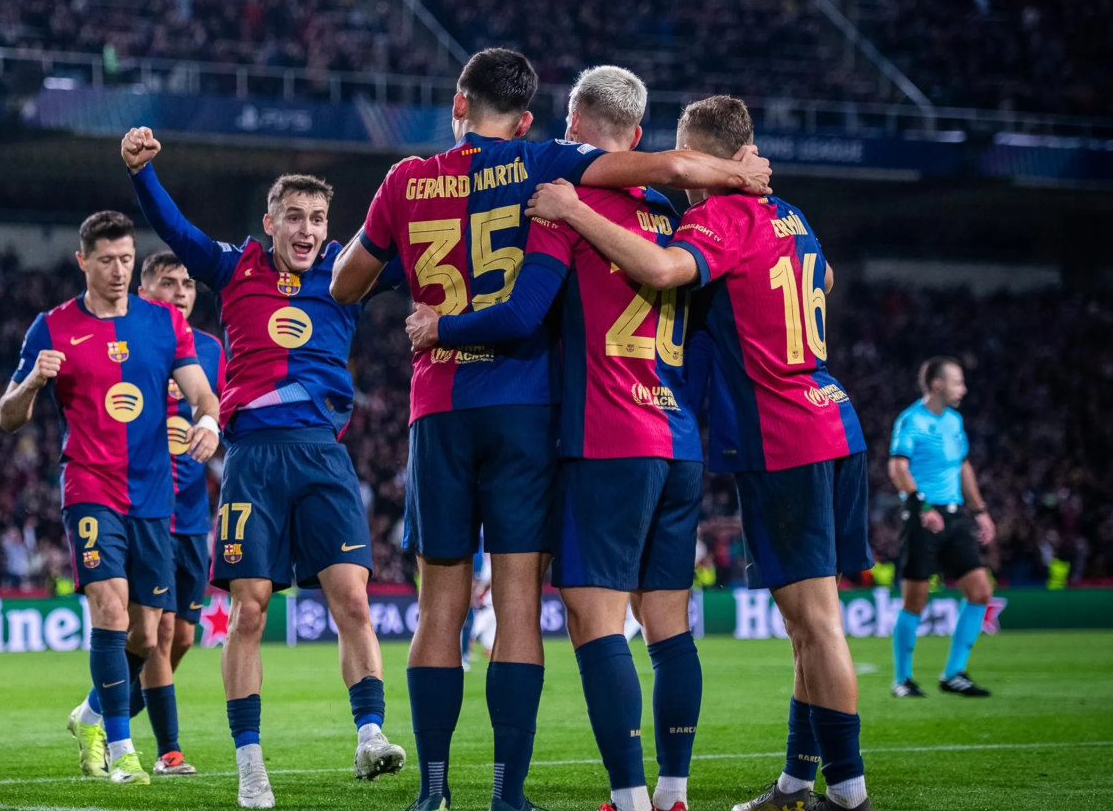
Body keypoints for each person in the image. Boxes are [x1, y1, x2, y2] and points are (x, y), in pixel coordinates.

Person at [340, 53, 767, 811]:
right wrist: (741, 174)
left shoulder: (405, 180)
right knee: (517, 605)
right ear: (530, 120)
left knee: (440, 609)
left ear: (457, 103)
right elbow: (670, 168)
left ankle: (434, 793)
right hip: (535, 409)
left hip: (440, 404)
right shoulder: (548, 169)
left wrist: (417, 281)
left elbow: (347, 281)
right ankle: (510, 796)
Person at [528, 96, 872, 811]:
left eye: (687, 154)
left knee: (816, 623)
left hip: (783, 435)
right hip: (833, 417)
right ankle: (796, 782)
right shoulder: (790, 215)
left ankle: (849, 793)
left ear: (706, 157)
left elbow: (660, 270)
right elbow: (827, 279)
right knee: (806, 626)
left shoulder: (720, 216)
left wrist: (574, 210)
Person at [122, 127, 405, 808]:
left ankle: (370, 734)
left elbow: (421, 253)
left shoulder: (347, 271)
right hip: (253, 458)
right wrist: (142, 174)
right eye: (295, 218)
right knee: (249, 609)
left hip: (323, 454)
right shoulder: (234, 267)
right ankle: (250, 763)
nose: (307, 231)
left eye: (318, 219)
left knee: (353, 600)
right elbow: (177, 231)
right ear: (270, 222)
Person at [0, 212, 221, 787]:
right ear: (83, 261)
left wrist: (208, 420)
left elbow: (202, 393)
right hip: (91, 487)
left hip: (153, 496)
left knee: (147, 636)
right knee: (111, 611)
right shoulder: (52, 327)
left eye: (126, 259)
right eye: (106, 260)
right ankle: (123, 751)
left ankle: (91, 715)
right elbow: (7, 416)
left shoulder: (163, 323)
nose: (118, 271)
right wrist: (32, 382)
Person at [123, 250, 227, 774]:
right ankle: (168, 750)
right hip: (147, 508)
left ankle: (106, 705)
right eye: (169, 283)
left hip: (192, 514)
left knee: (183, 636)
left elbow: (219, 409)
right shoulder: (130, 342)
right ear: (145, 292)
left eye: (188, 283)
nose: (182, 292)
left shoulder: (209, 349)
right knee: (159, 633)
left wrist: (212, 428)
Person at [889, 356, 996, 698]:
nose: (963, 388)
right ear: (937, 385)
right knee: (915, 601)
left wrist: (980, 511)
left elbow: (964, 468)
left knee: (980, 591)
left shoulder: (954, 421)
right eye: (957, 382)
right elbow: (898, 467)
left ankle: (953, 674)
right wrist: (921, 505)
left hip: (954, 515)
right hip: (923, 516)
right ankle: (902, 680)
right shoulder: (911, 420)